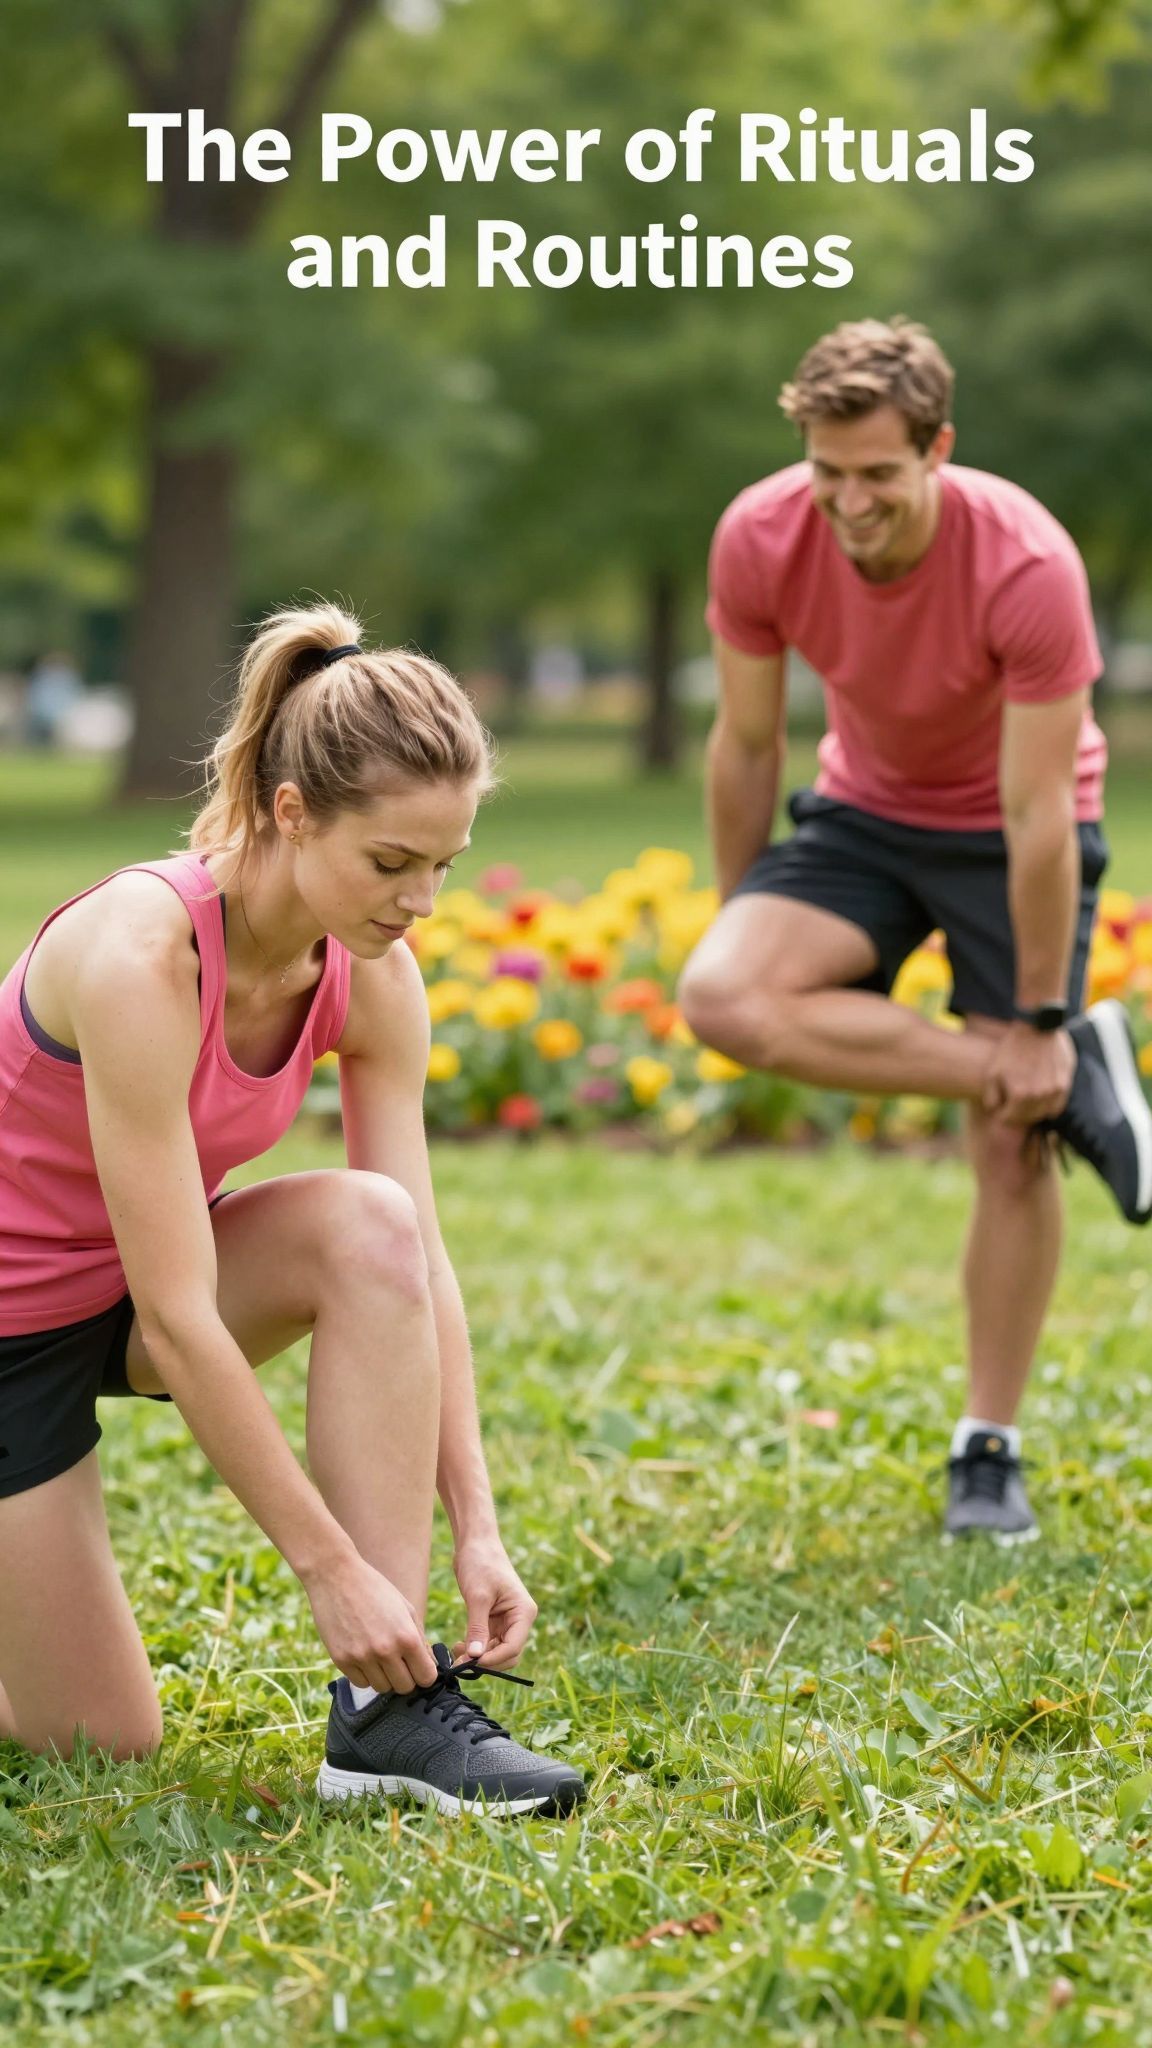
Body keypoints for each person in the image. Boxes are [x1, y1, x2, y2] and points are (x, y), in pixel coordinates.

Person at [0, 603, 584, 1817]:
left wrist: (476, 1525)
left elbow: (418, 1261)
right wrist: (326, 1566)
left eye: (444, 864)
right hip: (21, 1329)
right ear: (292, 811)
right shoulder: (142, 957)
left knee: (372, 1225)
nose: (422, 899)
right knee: (99, 1737)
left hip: (127, 1294)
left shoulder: (371, 972)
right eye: (392, 861)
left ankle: (384, 1718)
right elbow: (182, 1316)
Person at [679, 318, 1152, 1545]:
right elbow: (745, 742)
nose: (849, 503)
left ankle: (986, 1447)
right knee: (723, 993)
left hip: (1011, 830)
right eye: (827, 472)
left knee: (1006, 1143)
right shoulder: (760, 533)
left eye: (879, 474)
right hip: (864, 814)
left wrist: (1037, 1011)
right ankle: (1074, 1073)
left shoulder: (1026, 562)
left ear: (939, 448)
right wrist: (744, 904)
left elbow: (1038, 812)